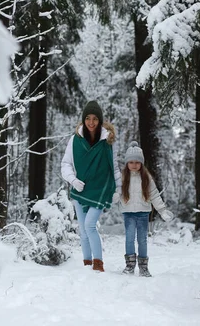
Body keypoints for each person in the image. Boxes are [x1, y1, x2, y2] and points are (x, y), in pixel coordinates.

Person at [61, 101, 121, 272]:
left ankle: (98, 265)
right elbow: (65, 164)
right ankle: (87, 264)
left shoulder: (108, 141)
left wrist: (118, 188)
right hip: (80, 188)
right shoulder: (75, 140)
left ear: (100, 120)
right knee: (83, 230)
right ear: (83, 119)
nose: (91, 122)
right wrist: (73, 180)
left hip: (101, 189)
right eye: (88, 118)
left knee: (89, 225)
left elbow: (114, 166)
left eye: (95, 118)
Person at [114, 141, 174, 277]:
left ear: (141, 163)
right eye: (131, 162)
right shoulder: (122, 177)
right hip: (128, 213)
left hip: (143, 213)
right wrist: (113, 196)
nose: (134, 165)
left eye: (137, 162)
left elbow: (154, 194)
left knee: (142, 239)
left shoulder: (146, 177)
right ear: (127, 163)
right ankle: (130, 265)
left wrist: (162, 211)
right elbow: (116, 192)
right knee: (129, 238)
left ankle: (143, 267)